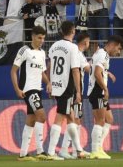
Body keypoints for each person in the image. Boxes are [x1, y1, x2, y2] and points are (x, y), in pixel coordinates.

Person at [10, 26, 50, 161]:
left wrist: (48, 83)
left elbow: (42, 72)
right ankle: (40, 151)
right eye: (39, 37)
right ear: (32, 36)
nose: (41, 40)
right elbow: (13, 71)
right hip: (28, 89)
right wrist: (17, 89)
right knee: (42, 116)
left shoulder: (43, 53)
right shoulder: (25, 50)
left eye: (43, 38)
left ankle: (23, 154)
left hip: (38, 89)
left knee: (31, 120)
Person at [46, 21, 84, 160]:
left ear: (62, 31)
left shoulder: (54, 46)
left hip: (56, 84)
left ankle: (78, 150)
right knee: (61, 116)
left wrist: (49, 82)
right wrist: (78, 92)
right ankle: (50, 152)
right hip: (66, 86)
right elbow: (75, 70)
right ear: (73, 31)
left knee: (71, 117)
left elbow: (50, 65)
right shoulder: (73, 47)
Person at [88, 35, 123, 159]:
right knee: (100, 120)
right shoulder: (103, 54)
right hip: (97, 91)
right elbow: (97, 73)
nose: (118, 52)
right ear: (113, 45)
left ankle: (99, 147)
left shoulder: (101, 54)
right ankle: (95, 150)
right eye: (118, 49)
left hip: (98, 91)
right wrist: (105, 88)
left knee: (109, 119)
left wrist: (107, 73)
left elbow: (96, 69)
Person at [59, 32, 91, 159]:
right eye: (89, 41)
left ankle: (74, 150)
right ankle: (67, 149)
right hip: (75, 90)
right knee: (74, 119)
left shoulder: (77, 53)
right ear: (85, 41)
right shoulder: (77, 53)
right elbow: (88, 69)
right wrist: (101, 67)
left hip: (74, 89)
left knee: (76, 119)